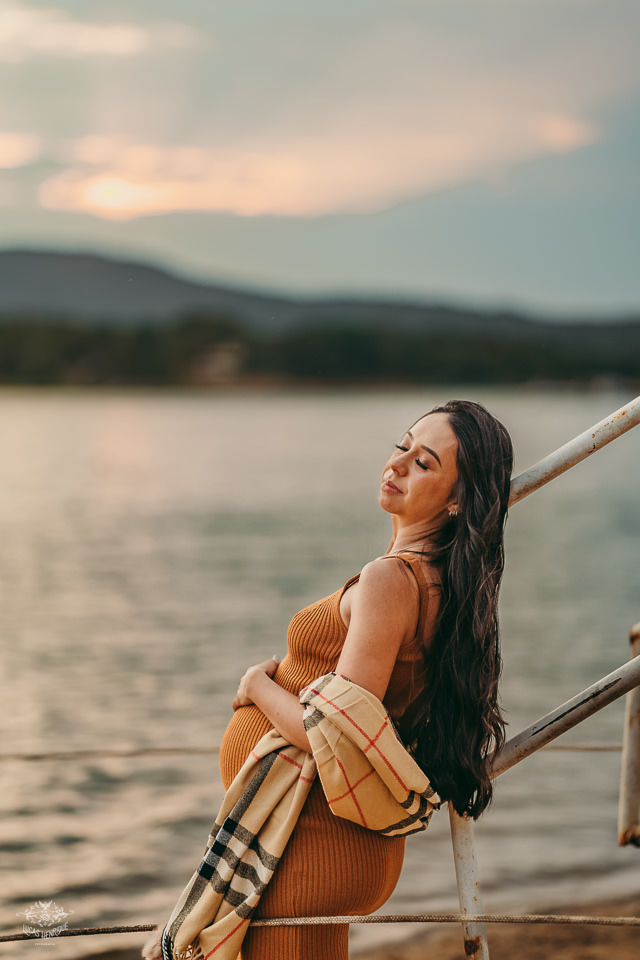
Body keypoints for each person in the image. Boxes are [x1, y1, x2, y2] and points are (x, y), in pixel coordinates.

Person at [142, 399, 513, 960]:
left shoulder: (392, 579)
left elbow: (330, 735)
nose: (397, 465)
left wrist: (257, 686)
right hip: (324, 838)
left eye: (425, 464)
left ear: (459, 499)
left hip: (314, 837)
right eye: (402, 446)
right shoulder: (442, 583)